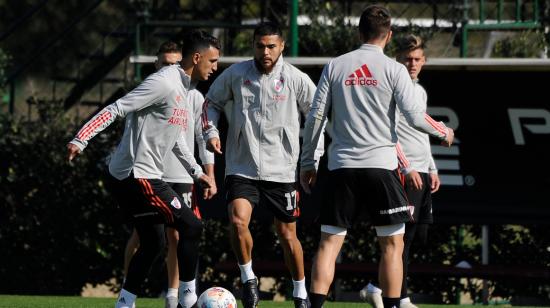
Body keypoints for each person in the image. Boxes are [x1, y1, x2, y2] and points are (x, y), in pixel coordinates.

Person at [299, 5, 454, 308]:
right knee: (392, 246)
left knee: (329, 245)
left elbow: (316, 116)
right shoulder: (394, 70)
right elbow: (414, 116)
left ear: (359, 32)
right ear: (389, 35)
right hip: (381, 169)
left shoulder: (336, 65)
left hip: (342, 167)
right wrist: (443, 131)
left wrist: (308, 161)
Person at [67, 30, 220, 308]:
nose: (215, 67)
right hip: (136, 175)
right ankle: (189, 301)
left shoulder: (186, 89)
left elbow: (174, 140)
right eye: (212, 61)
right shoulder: (163, 82)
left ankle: (125, 303)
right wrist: (81, 137)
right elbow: (117, 108)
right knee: (192, 225)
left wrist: (198, 173)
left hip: (136, 176)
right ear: (197, 58)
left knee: (153, 243)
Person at [201, 22, 323, 308]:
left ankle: (300, 291)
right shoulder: (236, 73)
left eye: (271, 46)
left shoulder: (296, 78)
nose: (265, 52)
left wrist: (310, 160)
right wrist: (211, 133)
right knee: (237, 220)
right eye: (259, 46)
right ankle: (248, 279)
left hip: (282, 170)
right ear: (253, 46)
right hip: (242, 166)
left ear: (282, 47)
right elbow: (210, 104)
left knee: (287, 234)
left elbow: (317, 117)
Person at [122, 40, 217, 308]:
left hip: (183, 176)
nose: (171, 68)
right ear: (156, 64)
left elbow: (201, 137)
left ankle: (174, 295)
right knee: (143, 236)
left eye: (175, 63)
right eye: (165, 63)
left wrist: (207, 174)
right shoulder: (151, 91)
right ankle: (128, 289)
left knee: (180, 233)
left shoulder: (195, 97)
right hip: (151, 175)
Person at [359, 34, 441, 308]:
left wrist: (431, 167)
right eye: (408, 59)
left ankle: (374, 285)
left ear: (424, 61)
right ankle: (400, 296)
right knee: (401, 237)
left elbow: (421, 132)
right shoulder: (394, 86)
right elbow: (389, 133)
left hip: (423, 171)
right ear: (399, 60)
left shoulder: (419, 90)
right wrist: (406, 167)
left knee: (418, 235)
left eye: (417, 59)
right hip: (404, 172)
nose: (413, 63)